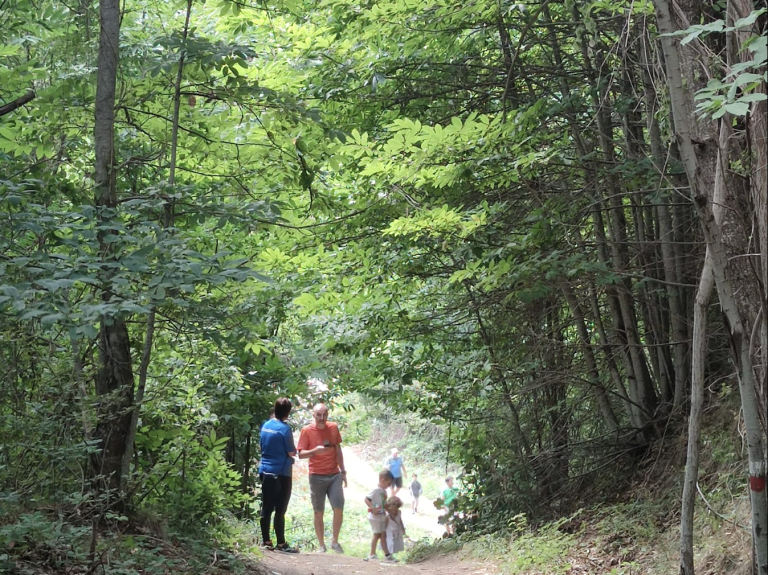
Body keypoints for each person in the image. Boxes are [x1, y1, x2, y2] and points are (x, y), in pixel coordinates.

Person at [296, 403, 347, 553]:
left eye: (324, 414)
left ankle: (335, 542)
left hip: (334, 474)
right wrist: (314, 451)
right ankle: (321, 546)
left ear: (328, 414)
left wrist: (343, 472)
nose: (322, 418)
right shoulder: (307, 430)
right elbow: (301, 454)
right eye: (319, 415)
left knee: (338, 507)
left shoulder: (333, 427)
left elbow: (338, 449)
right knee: (318, 511)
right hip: (316, 475)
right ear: (313, 415)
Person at [258, 397, 298, 553]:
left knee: (266, 507)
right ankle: (281, 544)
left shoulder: (265, 426)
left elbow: (262, 448)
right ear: (287, 412)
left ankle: (266, 542)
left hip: (265, 471)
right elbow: (291, 451)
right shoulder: (285, 429)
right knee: (280, 509)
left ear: (275, 409)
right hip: (281, 473)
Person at [364, 469, 397, 563]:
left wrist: (390, 512)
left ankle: (387, 554)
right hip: (375, 517)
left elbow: (384, 503)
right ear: (383, 480)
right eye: (389, 483)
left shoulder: (382, 491)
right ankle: (372, 554)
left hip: (381, 516)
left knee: (383, 535)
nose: (389, 486)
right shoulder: (375, 489)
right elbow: (366, 499)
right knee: (377, 535)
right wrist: (372, 508)